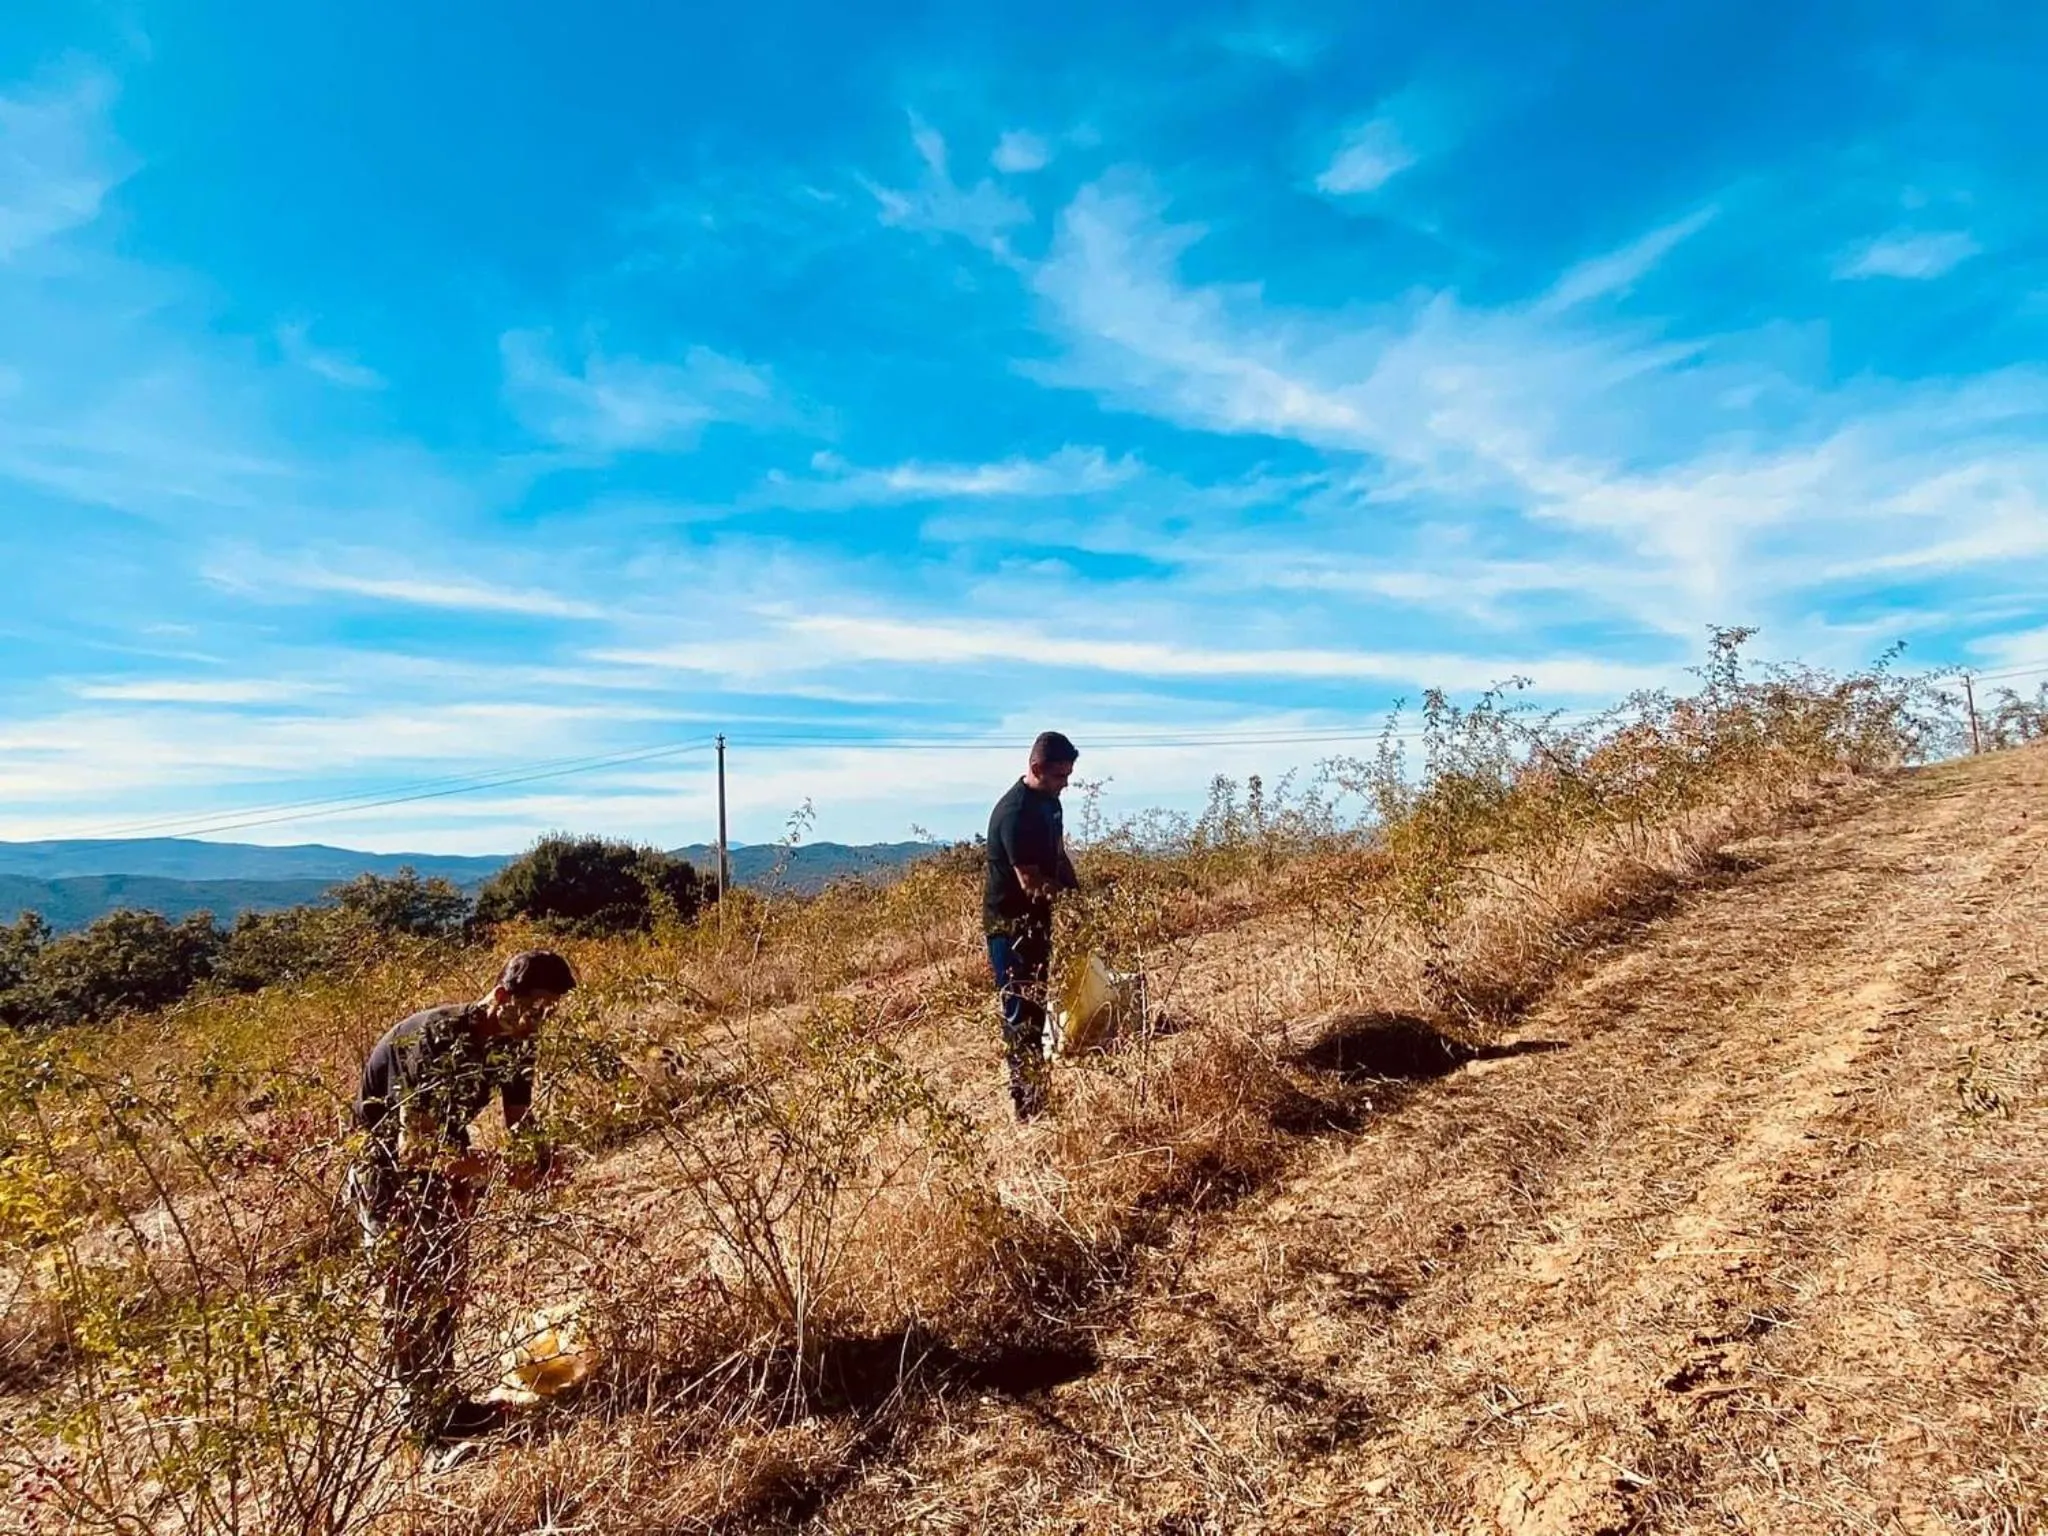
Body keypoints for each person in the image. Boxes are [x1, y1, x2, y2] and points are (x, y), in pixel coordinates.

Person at [347, 949, 576, 1441]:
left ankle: (447, 1405)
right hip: (387, 1171)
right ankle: (423, 1424)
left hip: (446, 1157)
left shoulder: (519, 1040)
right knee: (411, 1294)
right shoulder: (431, 1040)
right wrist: (493, 1171)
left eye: (551, 1010)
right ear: (500, 998)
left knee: (448, 1287)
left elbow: (520, 1120)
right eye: (537, 1007)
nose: (543, 1019)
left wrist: (541, 1158)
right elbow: (416, 1149)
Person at [985, 731, 1081, 1120]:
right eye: (1060, 775)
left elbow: (1057, 859)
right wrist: (1069, 904)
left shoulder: (1051, 805)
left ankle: (1039, 1097)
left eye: (1069, 775)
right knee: (1019, 1016)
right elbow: (1031, 882)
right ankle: (1027, 1108)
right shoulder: (1015, 813)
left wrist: (1080, 900)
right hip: (1009, 929)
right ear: (1036, 768)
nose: (1066, 784)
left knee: (1037, 1010)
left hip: (1039, 922)